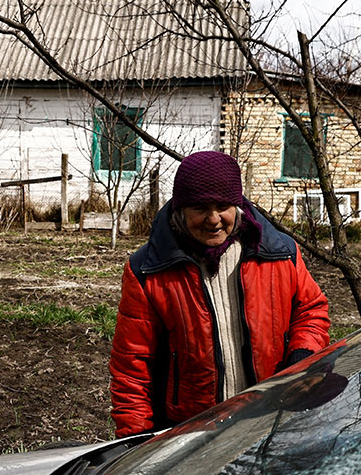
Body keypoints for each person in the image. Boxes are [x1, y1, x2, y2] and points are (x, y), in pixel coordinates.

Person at [109, 150, 331, 436]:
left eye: (223, 206)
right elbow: (131, 365)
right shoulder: (148, 271)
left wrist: (302, 356)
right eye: (200, 208)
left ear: (237, 206)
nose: (213, 219)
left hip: (271, 417)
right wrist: (135, 440)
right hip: (192, 431)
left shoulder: (278, 254)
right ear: (180, 209)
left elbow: (310, 310)